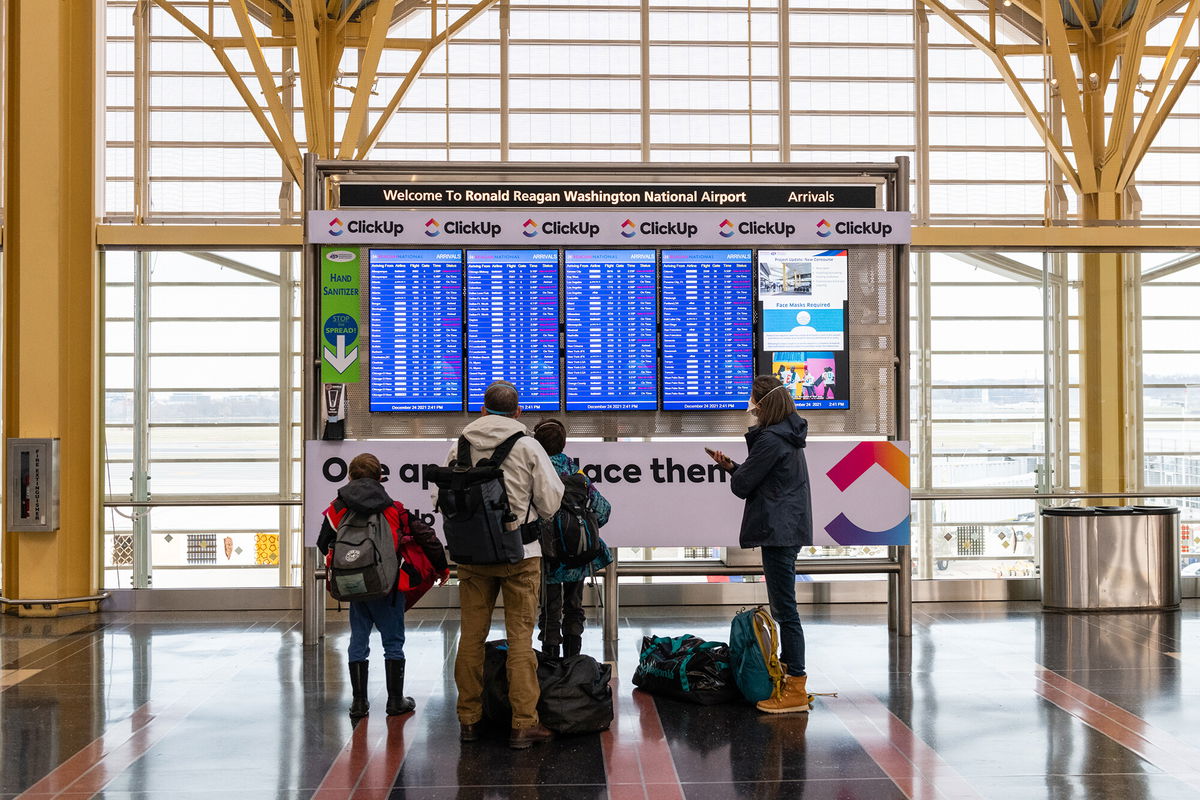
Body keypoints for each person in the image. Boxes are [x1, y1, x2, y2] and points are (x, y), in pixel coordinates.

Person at [449, 380, 565, 749]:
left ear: (482, 410)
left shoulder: (459, 445)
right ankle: (523, 724)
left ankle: (469, 719)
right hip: (521, 554)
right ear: (518, 412)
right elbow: (550, 501)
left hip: (471, 558)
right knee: (519, 641)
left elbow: (442, 497)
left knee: (471, 637)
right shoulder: (528, 445)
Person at [708, 375, 813, 714]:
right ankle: (788, 674)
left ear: (764, 403)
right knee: (785, 607)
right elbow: (759, 477)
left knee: (785, 610)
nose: (749, 405)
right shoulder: (786, 435)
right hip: (788, 526)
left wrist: (733, 472)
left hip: (778, 530)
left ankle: (795, 685)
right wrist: (734, 467)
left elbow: (743, 485)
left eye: (753, 399)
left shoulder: (770, 439)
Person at [317, 453, 450, 720]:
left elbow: (323, 542)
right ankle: (394, 701)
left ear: (350, 476)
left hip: (354, 586)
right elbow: (427, 536)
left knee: (358, 639)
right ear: (380, 477)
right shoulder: (394, 508)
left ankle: (358, 704)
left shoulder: (337, 508)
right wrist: (441, 566)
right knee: (393, 642)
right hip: (388, 586)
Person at [531, 418, 613, 659]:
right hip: (577, 557)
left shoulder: (535, 472)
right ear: (564, 443)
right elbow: (603, 510)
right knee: (574, 607)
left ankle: (550, 662)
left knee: (550, 609)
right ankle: (572, 661)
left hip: (547, 557)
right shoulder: (577, 474)